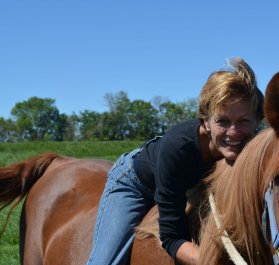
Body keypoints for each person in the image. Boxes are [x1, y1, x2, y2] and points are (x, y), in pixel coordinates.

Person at [86, 57, 264, 265]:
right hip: (137, 182)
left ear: (256, 122)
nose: (233, 132)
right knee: (106, 261)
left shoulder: (254, 145)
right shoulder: (178, 147)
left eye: (243, 121)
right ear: (205, 121)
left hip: (188, 184)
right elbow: (171, 238)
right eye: (222, 121)